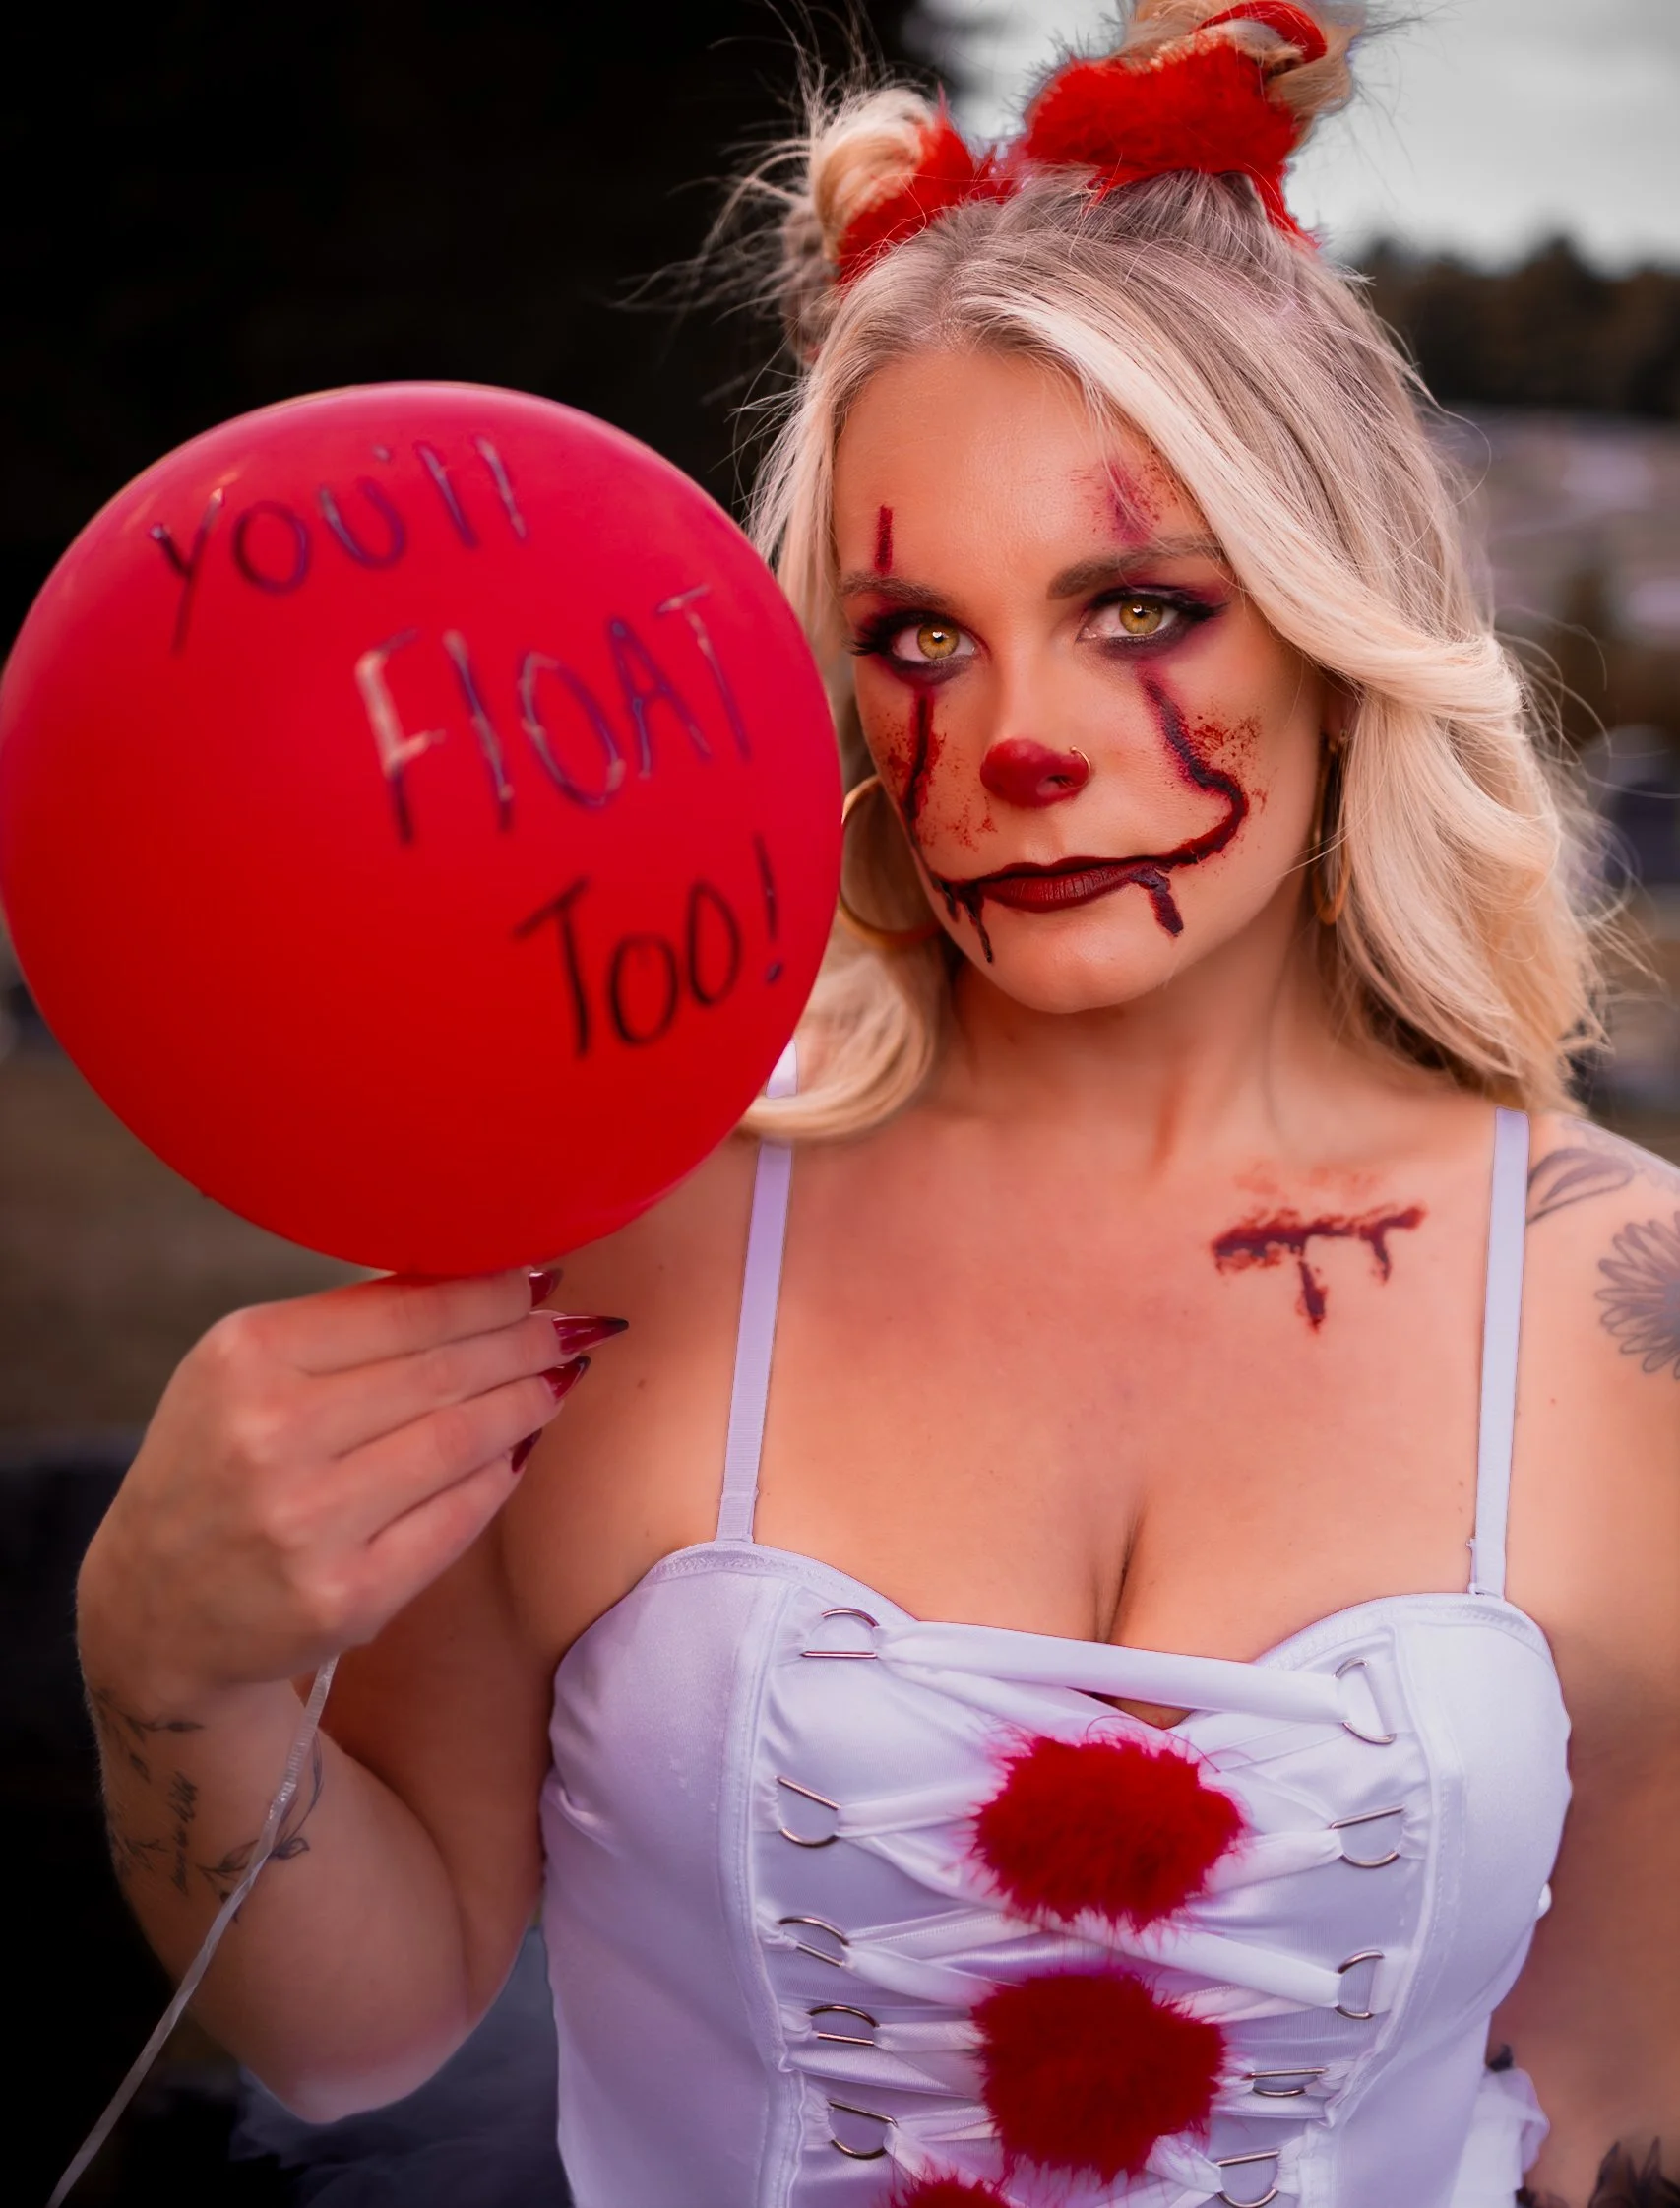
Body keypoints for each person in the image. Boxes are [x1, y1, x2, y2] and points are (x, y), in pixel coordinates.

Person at [73, 5, 1679, 2204]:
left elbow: (1614, 2113)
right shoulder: (622, 1230)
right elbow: (361, 2027)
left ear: (1337, 625)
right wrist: (169, 1663)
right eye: (918, 635)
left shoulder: (1621, 1310)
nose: (1019, 740)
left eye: (1138, 605)